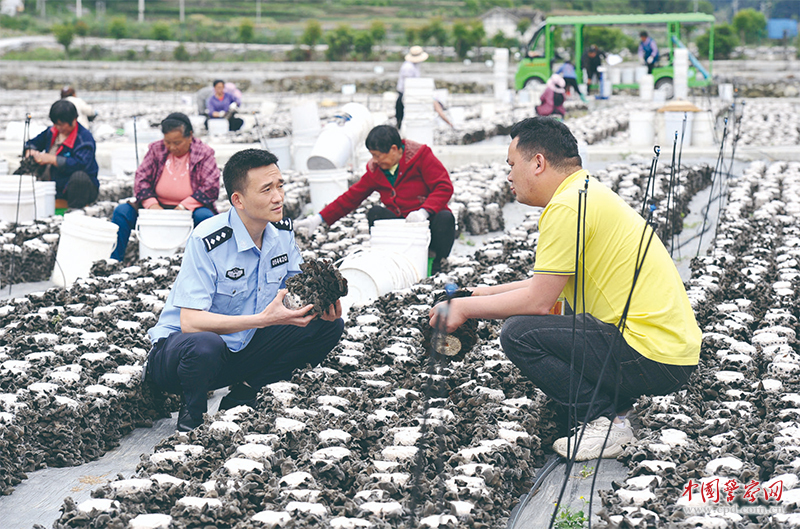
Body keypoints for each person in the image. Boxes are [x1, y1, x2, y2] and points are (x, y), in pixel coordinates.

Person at [430, 117, 700, 461]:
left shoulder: (567, 206)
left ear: (538, 162)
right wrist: (476, 295)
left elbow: (539, 301)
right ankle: (613, 410)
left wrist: (463, 310)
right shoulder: (584, 192)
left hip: (651, 352)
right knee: (562, 314)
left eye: (512, 165)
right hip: (667, 351)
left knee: (520, 333)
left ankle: (602, 423)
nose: (509, 176)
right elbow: (549, 286)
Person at [142, 148, 345, 432]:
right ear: (238, 200)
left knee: (328, 327)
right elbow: (190, 322)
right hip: (180, 359)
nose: (278, 197)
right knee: (205, 344)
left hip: (240, 349)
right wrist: (264, 320)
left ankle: (246, 391)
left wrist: (323, 303)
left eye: (280, 186)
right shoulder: (208, 239)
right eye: (266, 190)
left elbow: (299, 286)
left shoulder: (281, 233)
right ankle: (192, 419)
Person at [294, 125, 455, 274]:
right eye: (372, 155)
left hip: (426, 222)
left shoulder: (421, 157)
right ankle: (392, 260)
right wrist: (319, 218)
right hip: (401, 224)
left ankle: (436, 260)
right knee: (376, 213)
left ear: (394, 149)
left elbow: (444, 186)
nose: (375, 160)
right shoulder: (376, 171)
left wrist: (424, 212)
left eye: (378, 155)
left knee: (445, 218)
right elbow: (351, 197)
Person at [110, 112, 219, 262]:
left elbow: (211, 187)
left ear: (190, 136)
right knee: (122, 212)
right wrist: (152, 204)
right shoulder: (157, 150)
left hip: (191, 207)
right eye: (168, 142)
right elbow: (141, 179)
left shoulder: (203, 153)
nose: (172, 147)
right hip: (157, 205)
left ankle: (205, 262)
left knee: (206, 219)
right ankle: (115, 260)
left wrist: (184, 206)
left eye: (177, 142)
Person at [24, 99, 99, 209]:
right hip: (54, 184)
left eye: (61, 124)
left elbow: (80, 164)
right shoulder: (52, 131)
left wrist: (52, 159)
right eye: (56, 124)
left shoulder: (84, 139)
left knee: (79, 178)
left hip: (77, 188)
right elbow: (32, 143)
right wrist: (30, 150)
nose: (58, 128)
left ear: (74, 120)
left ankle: (75, 210)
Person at [396, 45, 428, 130]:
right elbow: (408, 83)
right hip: (404, 93)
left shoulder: (415, 65)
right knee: (402, 114)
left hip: (409, 92)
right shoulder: (408, 67)